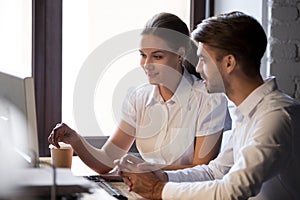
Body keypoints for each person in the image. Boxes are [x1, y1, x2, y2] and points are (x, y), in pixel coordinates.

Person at [116, 11, 300, 199]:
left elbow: (232, 190)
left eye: (203, 59)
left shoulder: (276, 116)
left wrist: (158, 190)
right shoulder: (249, 112)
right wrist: (162, 176)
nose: (197, 69)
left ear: (229, 63)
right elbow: (215, 172)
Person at [48, 12, 231, 174]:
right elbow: (107, 161)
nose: (146, 64)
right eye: (143, 55)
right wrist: (75, 140)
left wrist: (147, 169)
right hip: (144, 191)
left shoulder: (209, 99)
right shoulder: (139, 98)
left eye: (157, 56)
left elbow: (202, 171)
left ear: (180, 55)